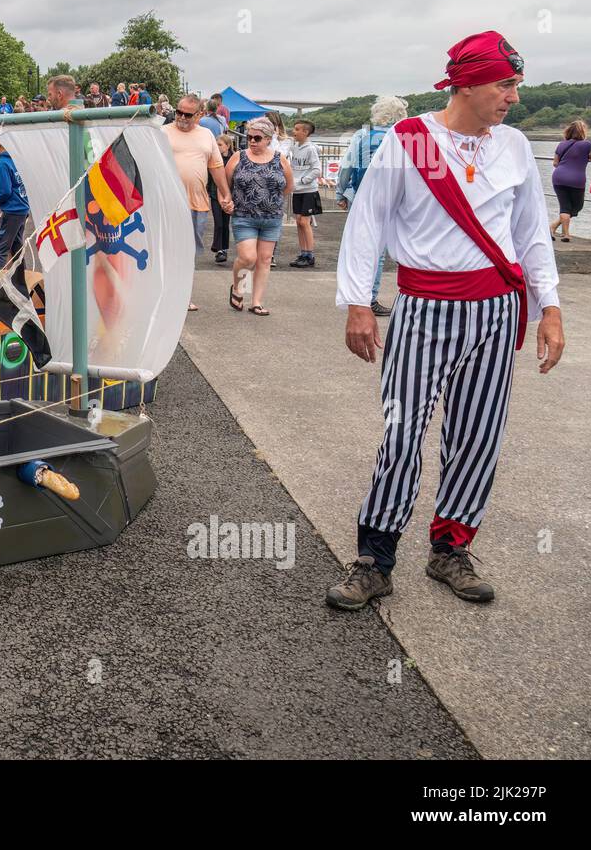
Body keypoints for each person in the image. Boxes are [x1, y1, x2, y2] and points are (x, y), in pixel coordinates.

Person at [328, 30, 563, 610]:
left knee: (477, 435)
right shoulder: (411, 141)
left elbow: (532, 233)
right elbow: (367, 224)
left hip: (495, 309)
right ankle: (374, 559)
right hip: (424, 307)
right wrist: (359, 302)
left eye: (516, 85)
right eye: (505, 84)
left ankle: (449, 550)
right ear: (466, 83)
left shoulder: (512, 147)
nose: (513, 97)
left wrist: (550, 307)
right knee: (403, 433)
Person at [337, 95, 407, 315]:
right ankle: (371, 297)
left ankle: (357, 294)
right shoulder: (404, 136)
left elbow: (347, 165)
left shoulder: (362, 135)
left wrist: (341, 191)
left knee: (361, 246)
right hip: (394, 199)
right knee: (382, 252)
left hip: (362, 197)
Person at [164, 94, 233, 310]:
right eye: (179, 112)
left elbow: (216, 166)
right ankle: (165, 295)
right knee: (166, 250)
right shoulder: (162, 132)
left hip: (197, 202)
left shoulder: (206, 135)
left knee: (189, 252)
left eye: (187, 114)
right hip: (167, 202)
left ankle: (184, 296)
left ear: (199, 114)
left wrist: (225, 193)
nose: (182, 117)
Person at [224, 116, 292, 316]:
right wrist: (226, 201)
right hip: (244, 216)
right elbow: (226, 185)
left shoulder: (280, 158)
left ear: (269, 139)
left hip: (271, 217)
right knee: (247, 257)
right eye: (250, 137)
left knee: (264, 259)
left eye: (257, 138)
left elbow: (288, 186)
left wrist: (271, 200)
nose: (252, 141)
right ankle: (238, 288)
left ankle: (256, 301)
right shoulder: (239, 157)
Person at [550, 119, 591, 241]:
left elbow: (555, 163)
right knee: (577, 207)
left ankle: (552, 227)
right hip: (577, 180)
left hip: (559, 177)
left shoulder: (562, 144)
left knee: (565, 207)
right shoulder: (587, 144)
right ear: (582, 131)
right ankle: (566, 235)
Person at [288, 118, 323, 267]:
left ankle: (310, 255)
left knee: (304, 221)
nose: (293, 132)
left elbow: (317, 170)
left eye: (296, 129)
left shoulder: (310, 149)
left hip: (308, 190)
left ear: (305, 132)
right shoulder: (295, 147)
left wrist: (303, 181)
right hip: (298, 190)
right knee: (299, 222)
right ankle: (303, 253)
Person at [0, 143, 30, 270]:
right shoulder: (15, 160)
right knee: (17, 248)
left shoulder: (2, 163)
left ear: (0, 143)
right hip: (21, 208)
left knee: (1, 251)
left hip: (13, 209)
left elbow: (5, 191)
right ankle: (21, 282)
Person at [208, 133, 234, 263]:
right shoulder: (213, 159)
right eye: (216, 145)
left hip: (228, 195)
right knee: (218, 222)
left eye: (220, 145)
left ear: (228, 146)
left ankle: (223, 249)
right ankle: (219, 248)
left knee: (225, 222)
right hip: (214, 193)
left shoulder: (233, 159)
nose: (217, 147)